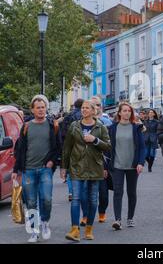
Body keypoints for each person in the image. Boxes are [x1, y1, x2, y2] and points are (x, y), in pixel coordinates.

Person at [12, 95, 62, 243]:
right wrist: (16, 170)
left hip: (45, 169)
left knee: (46, 199)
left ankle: (45, 223)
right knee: (31, 202)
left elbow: (58, 148)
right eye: (38, 107)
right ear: (32, 110)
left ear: (46, 109)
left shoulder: (53, 125)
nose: (41, 110)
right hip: (28, 170)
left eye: (43, 107)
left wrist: (52, 161)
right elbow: (20, 149)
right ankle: (34, 231)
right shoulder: (26, 126)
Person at [61, 100, 111, 242]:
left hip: (95, 167)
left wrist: (95, 140)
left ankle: (89, 229)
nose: (84, 110)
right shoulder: (74, 126)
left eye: (87, 108)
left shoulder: (100, 127)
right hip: (76, 166)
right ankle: (74, 229)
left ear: (93, 110)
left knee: (93, 199)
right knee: (76, 198)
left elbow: (108, 146)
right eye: (82, 108)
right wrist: (64, 167)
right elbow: (67, 148)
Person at [108, 102, 145, 230]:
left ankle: (130, 218)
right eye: (124, 111)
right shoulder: (112, 128)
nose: (127, 113)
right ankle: (117, 220)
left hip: (133, 166)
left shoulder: (136, 128)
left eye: (129, 111)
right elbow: (109, 148)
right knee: (118, 192)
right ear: (119, 113)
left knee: (131, 192)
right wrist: (106, 165)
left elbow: (141, 147)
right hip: (117, 165)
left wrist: (140, 162)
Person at [91, 96, 113, 224]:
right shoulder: (82, 123)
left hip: (103, 162)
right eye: (94, 105)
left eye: (99, 105)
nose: (97, 108)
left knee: (103, 193)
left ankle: (102, 211)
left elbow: (109, 146)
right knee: (88, 193)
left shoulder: (107, 123)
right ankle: (87, 215)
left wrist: (106, 166)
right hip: (88, 163)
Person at [61, 99, 84, 203]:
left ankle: (72, 192)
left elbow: (63, 133)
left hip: (70, 146)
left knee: (71, 171)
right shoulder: (84, 115)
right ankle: (81, 191)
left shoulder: (68, 116)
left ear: (74, 105)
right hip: (82, 146)